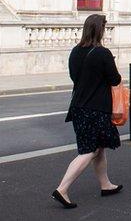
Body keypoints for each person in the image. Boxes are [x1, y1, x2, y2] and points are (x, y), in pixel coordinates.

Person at [52, 14, 123, 209]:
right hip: (96, 109)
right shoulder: (102, 53)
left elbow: (74, 77)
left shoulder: (75, 51)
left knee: (98, 148)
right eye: (104, 29)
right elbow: (115, 79)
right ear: (99, 30)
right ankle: (62, 188)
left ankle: (105, 184)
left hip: (78, 108)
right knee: (89, 151)